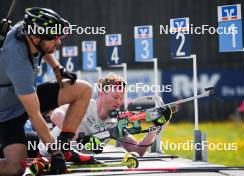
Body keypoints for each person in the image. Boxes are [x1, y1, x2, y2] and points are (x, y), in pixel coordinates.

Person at [0, 7, 99, 175]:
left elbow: (45, 48)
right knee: (15, 168)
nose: (58, 42)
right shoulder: (17, 62)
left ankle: (65, 147)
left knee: (83, 89)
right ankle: (59, 150)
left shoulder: (26, 29)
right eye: (54, 38)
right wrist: (54, 153)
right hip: (7, 115)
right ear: (36, 38)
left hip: (25, 97)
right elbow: (35, 116)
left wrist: (57, 68)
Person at [45, 73, 173, 157]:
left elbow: (137, 151)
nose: (119, 102)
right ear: (102, 93)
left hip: (79, 164)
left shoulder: (116, 121)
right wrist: (81, 138)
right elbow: (56, 115)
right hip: (47, 154)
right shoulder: (85, 105)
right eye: (115, 97)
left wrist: (155, 129)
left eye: (122, 98)